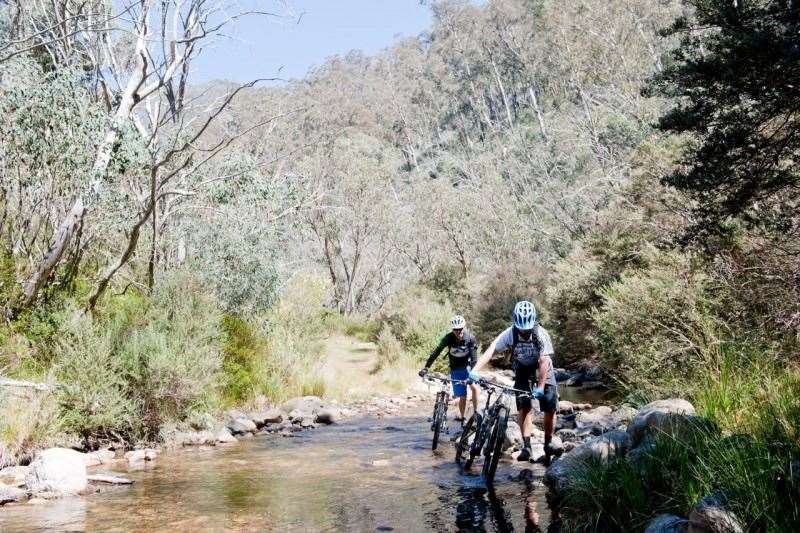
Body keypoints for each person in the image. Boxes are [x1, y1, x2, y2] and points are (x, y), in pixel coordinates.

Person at [471, 300, 559, 464]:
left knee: (549, 406)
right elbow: (491, 350)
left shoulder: (541, 334)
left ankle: (548, 444)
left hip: (542, 368)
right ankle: (527, 447)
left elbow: (544, 362)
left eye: (527, 329)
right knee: (524, 406)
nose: (524, 332)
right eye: (521, 328)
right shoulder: (509, 333)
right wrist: (475, 370)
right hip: (523, 368)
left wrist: (540, 387)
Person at [418, 315, 480, 422]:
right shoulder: (448, 338)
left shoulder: (470, 338)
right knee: (462, 396)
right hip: (455, 369)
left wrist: (473, 374)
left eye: (460, 329)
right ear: (452, 329)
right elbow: (436, 352)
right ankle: (462, 417)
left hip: (468, 367)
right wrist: (426, 367)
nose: (458, 331)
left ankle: (476, 414)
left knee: (474, 387)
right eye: (455, 330)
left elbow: (474, 359)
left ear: (463, 327)